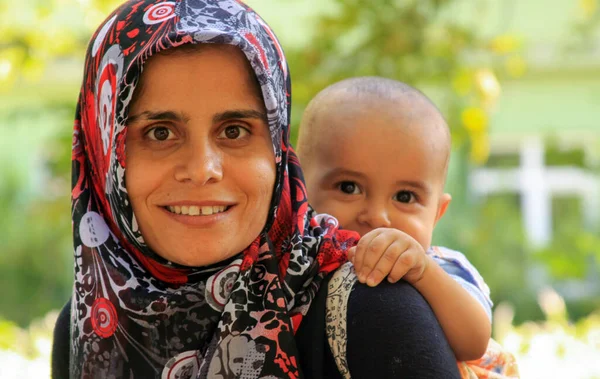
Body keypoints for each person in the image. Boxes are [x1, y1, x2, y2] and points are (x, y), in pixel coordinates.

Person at [51, 1, 462, 378]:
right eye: (160, 132)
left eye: (234, 130)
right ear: (104, 150)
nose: (202, 170)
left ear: (278, 152)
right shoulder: (87, 323)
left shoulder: (374, 309)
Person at [297, 76, 520, 378]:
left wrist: (422, 273)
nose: (377, 217)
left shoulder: (440, 267)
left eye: (405, 197)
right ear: (298, 188)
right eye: (348, 187)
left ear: (437, 213)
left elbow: (474, 341)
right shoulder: (293, 269)